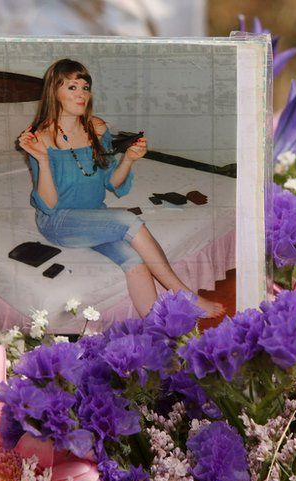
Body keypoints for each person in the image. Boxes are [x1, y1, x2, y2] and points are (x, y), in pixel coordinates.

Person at [17, 58, 225, 318]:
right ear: (54, 91)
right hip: (59, 221)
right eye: (72, 87)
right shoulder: (40, 137)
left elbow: (111, 183)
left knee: (135, 262)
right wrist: (43, 160)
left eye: (85, 87)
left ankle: (157, 332)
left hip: (94, 213)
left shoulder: (97, 128)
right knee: (128, 220)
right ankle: (184, 296)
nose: (82, 94)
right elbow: (48, 204)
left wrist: (129, 159)